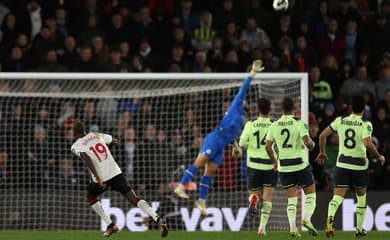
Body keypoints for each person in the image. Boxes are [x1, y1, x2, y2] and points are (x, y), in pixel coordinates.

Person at [174, 60, 264, 215]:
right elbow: (243, 89)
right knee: (199, 163)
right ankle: (181, 186)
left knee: (210, 172)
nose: (248, 103)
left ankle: (201, 202)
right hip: (214, 139)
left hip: (221, 146)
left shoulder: (241, 121)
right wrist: (252, 74)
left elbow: (232, 137)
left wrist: (235, 146)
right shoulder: (236, 105)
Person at [70, 122, 168, 238]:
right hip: (116, 172)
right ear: (84, 130)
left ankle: (110, 224)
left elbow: (87, 158)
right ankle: (157, 217)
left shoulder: (76, 146)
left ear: (74, 133)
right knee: (134, 198)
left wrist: (99, 179)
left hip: (102, 177)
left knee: (91, 197)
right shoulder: (95, 135)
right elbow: (114, 140)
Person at [315, 94, 385, 238]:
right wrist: (378, 156)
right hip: (359, 165)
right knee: (361, 197)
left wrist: (322, 152)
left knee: (337, 197)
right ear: (364, 109)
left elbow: (322, 136)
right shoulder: (366, 124)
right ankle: (359, 230)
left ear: (351, 108)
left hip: (342, 164)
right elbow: (367, 143)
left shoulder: (340, 120)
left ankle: (329, 222)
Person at [265, 97, 317, 237]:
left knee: (292, 198)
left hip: (284, 167)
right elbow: (307, 142)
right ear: (294, 108)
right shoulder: (299, 123)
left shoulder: (274, 125)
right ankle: (306, 219)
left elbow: (268, 146)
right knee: (311, 194)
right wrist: (312, 145)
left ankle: (293, 227)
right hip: (300, 164)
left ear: (281, 109)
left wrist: (274, 161)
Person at [238, 98, 277, 236]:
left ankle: (253, 200)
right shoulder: (274, 125)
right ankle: (262, 228)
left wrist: (252, 147)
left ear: (258, 110)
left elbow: (242, 143)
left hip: (253, 164)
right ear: (270, 110)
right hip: (270, 165)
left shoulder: (250, 124)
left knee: (254, 193)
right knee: (267, 198)